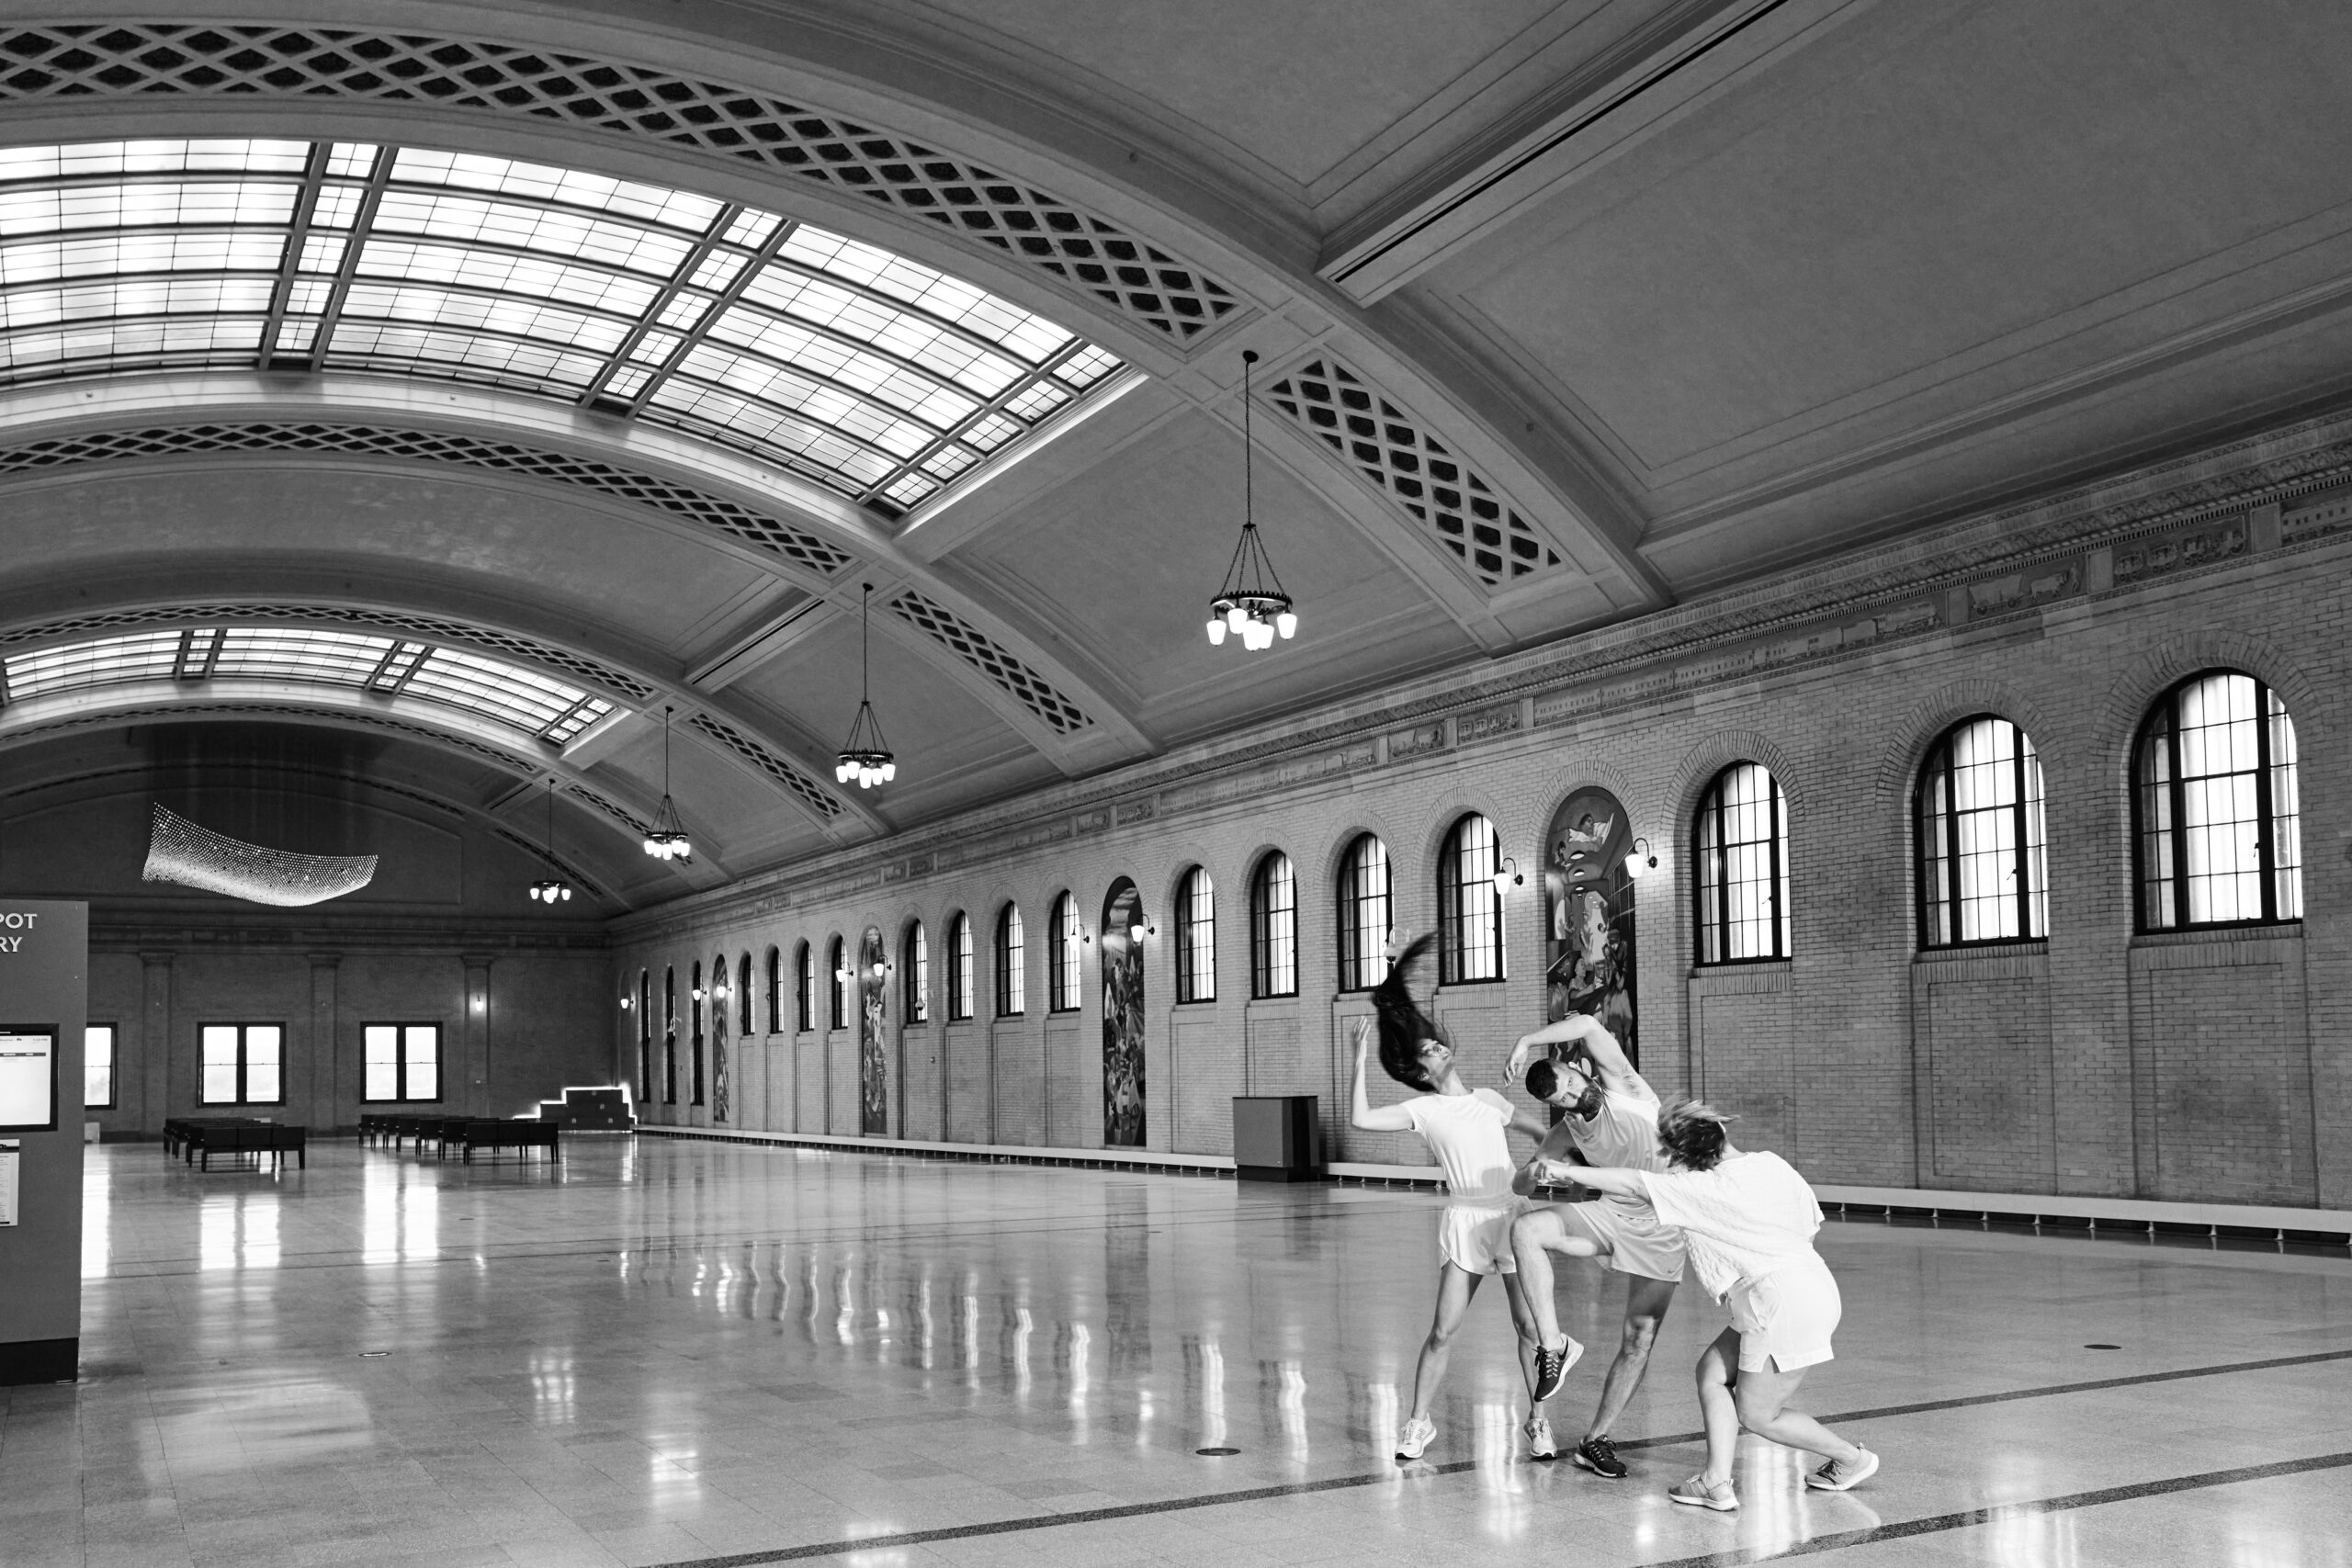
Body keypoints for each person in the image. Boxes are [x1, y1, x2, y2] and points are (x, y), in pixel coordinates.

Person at [1561, 1102, 1879, 1511]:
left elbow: (1635, 1183)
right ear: (1720, 1131)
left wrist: (1567, 1171)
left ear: (1684, 1157)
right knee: (1711, 1372)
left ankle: (1852, 1459)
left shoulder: (1703, 1188)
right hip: (1809, 1282)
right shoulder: (1770, 1163)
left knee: (1758, 1414)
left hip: (1777, 1301)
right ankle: (1715, 1481)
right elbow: (1808, 1222)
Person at [1351, 933, 1574, 1463]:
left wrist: (1566, 1155)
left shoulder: (1490, 1100)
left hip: (1511, 1215)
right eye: (1428, 1050)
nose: (1438, 1048)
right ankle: (1416, 1424)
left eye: (1438, 1043)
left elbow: (1543, 1135)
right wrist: (1358, 1057)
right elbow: (1360, 1118)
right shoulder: (1424, 1111)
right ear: (1421, 1071)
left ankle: (1538, 1424)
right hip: (1466, 1220)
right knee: (1443, 1330)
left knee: (1531, 1329)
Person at [1500, 1014, 1686, 1480]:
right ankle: (1554, 1344)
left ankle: (1595, 1439)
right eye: (1558, 1097)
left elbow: (1585, 1022)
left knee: (1639, 1339)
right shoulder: (1567, 1131)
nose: (1568, 1095)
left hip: (1662, 1223)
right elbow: (1521, 1181)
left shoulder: (1622, 1082)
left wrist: (1527, 1037)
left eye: (1566, 1083)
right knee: (1526, 1231)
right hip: (1611, 1215)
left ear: (1578, 1068)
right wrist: (1535, 1173)